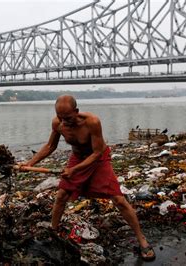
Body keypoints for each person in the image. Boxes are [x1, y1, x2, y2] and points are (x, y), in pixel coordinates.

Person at [20, 95, 156, 261]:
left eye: (68, 118)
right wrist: (29, 163)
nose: (64, 122)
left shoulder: (92, 122)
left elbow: (98, 152)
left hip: (98, 160)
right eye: (60, 118)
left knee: (118, 200)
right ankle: (52, 235)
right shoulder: (58, 123)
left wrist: (73, 170)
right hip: (77, 158)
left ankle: (142, 240)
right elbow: (50, 146)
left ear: (76, 112)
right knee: (61, 195)